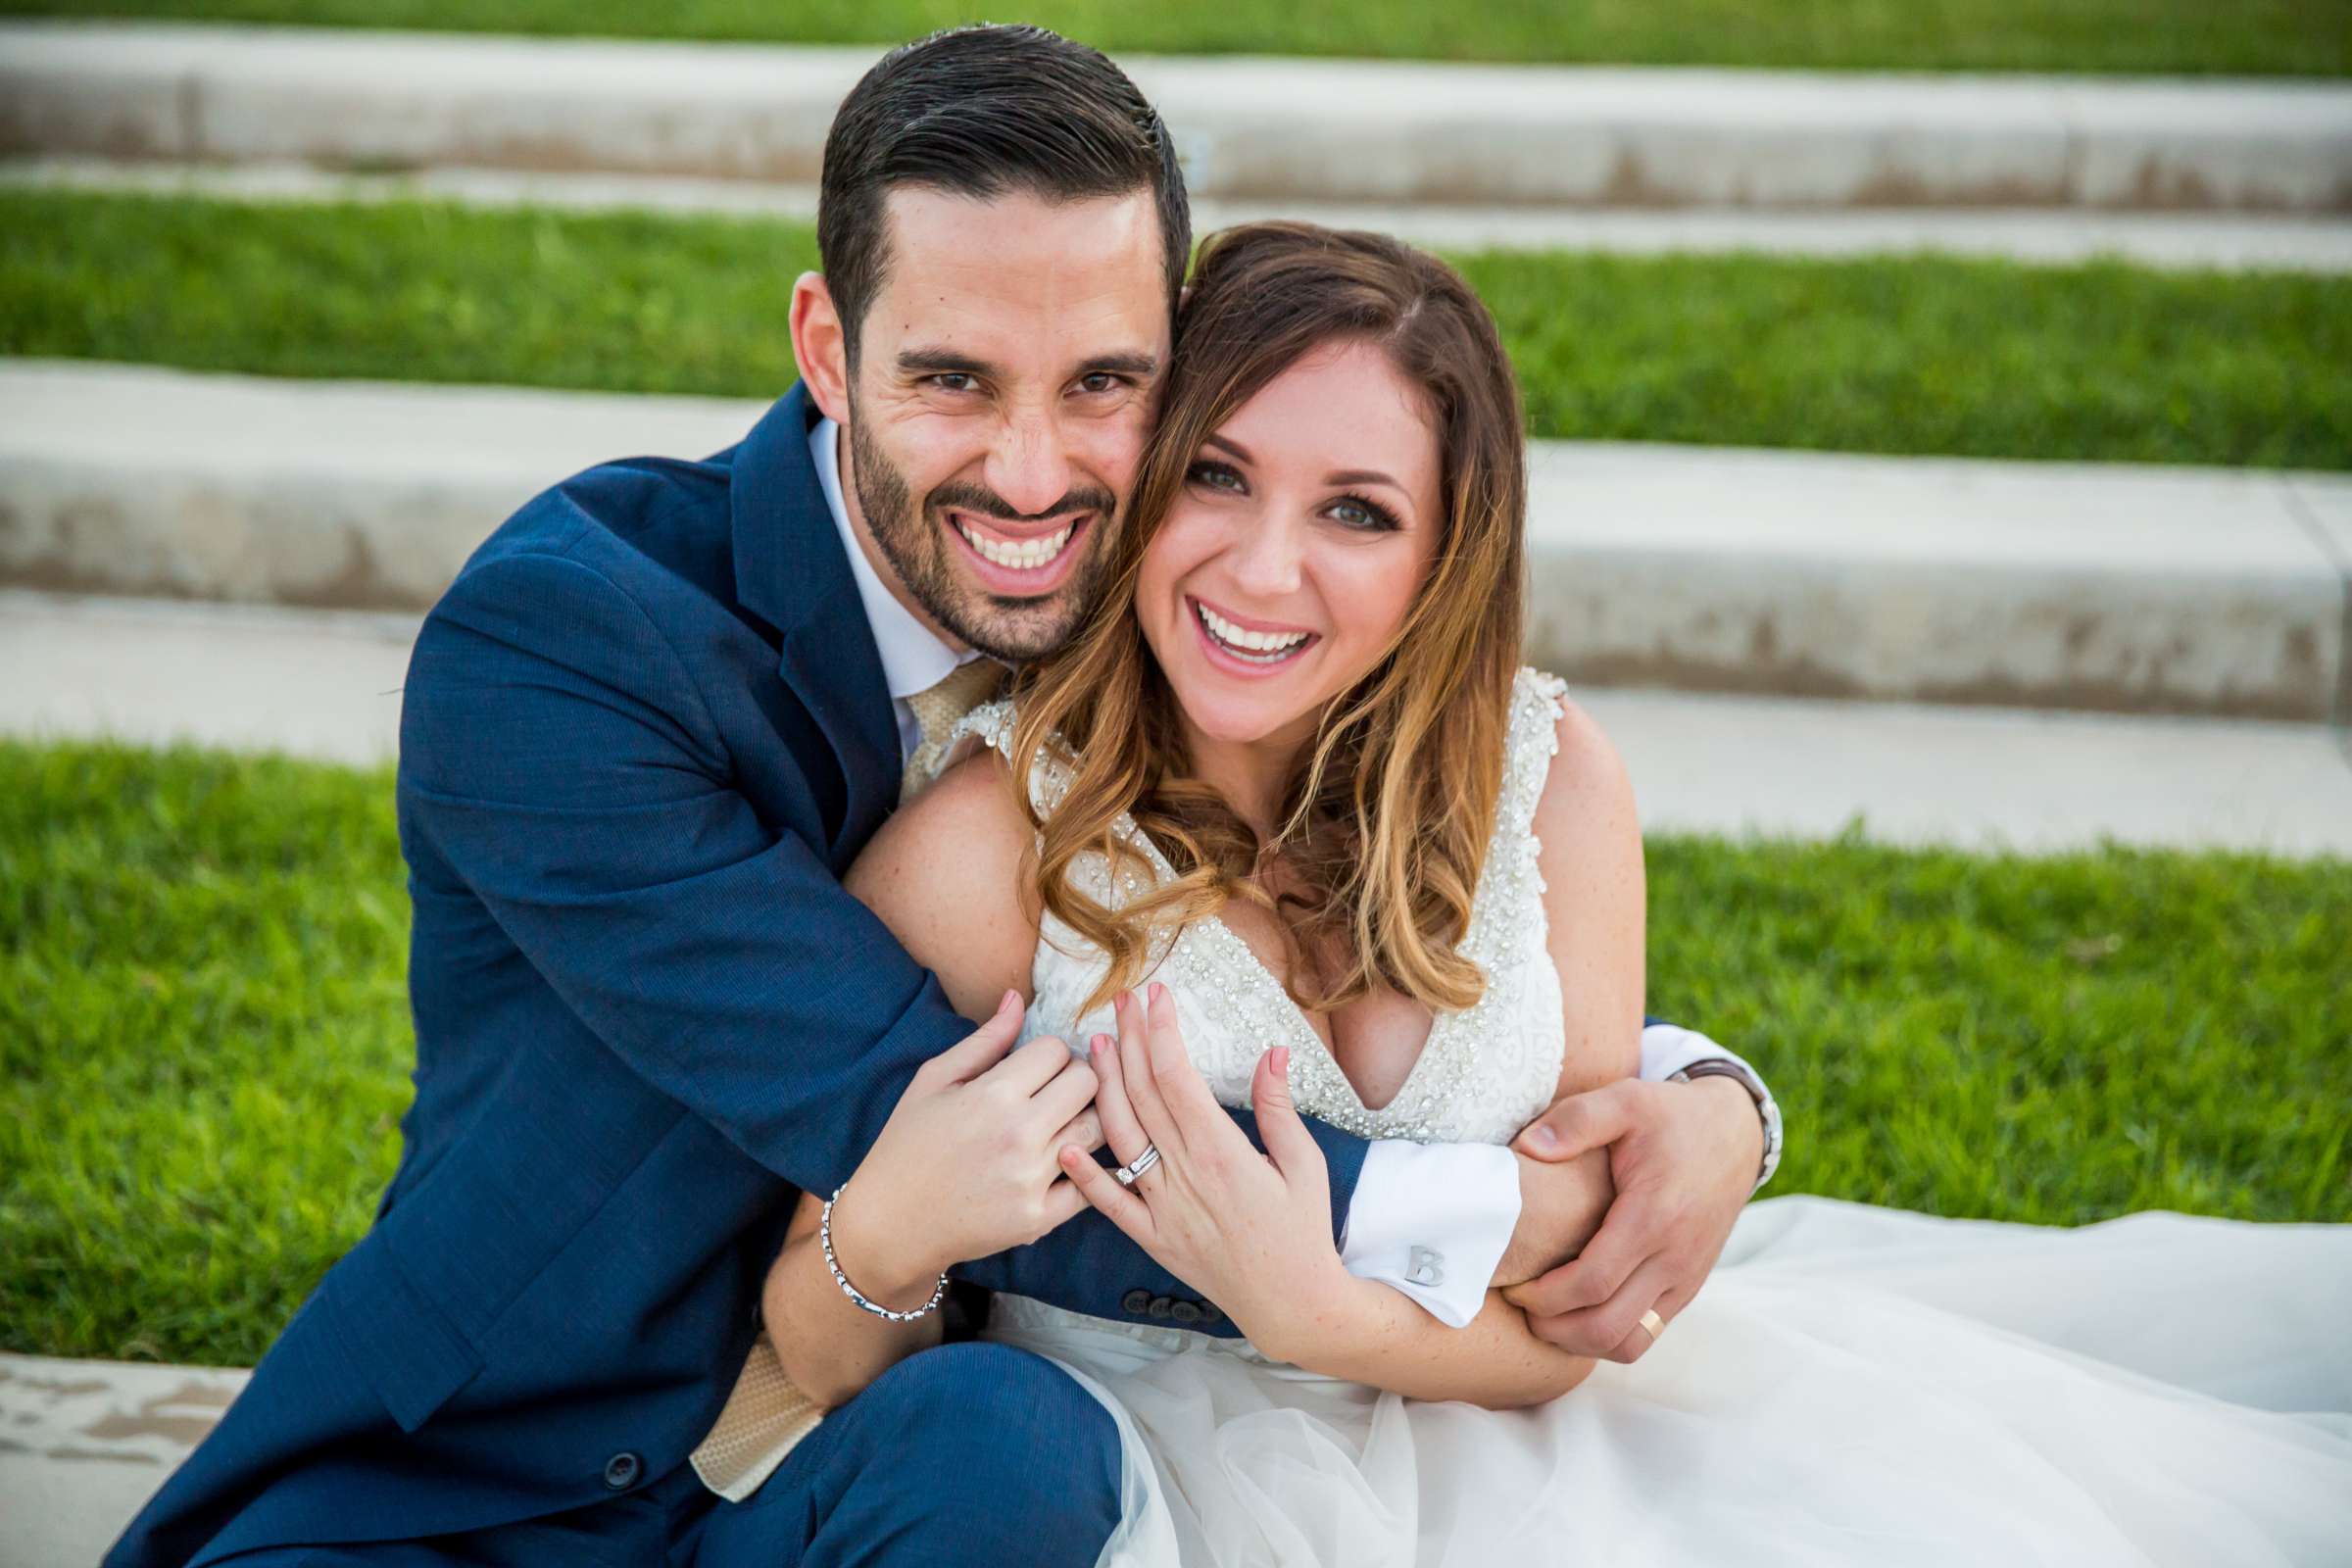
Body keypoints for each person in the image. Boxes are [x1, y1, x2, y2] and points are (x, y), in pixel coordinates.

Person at [105, 27, 1780, 1568]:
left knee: (1010, 1449)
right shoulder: (569, 647)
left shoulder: (1187, 620)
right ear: (827, 348)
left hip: (929, 1457)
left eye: (1105, 383)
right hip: (502, 1476)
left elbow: (1372, 897)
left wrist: (1702, 1102)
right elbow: (935, 1108)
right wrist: (1528, 1209)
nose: (1037, 474)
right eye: (953, 379)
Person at [776, 220, 2352, 1564]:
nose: (1264, 571)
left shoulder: (1548, 783)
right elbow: (811, 1336)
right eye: (1217, 475)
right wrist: (901, 1239)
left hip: (1539, 1439)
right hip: (1161, 1482)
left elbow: (1583, 1306)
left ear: (1443, 554)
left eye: (1355, 511)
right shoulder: (991, 851)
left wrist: (1328, 1313)